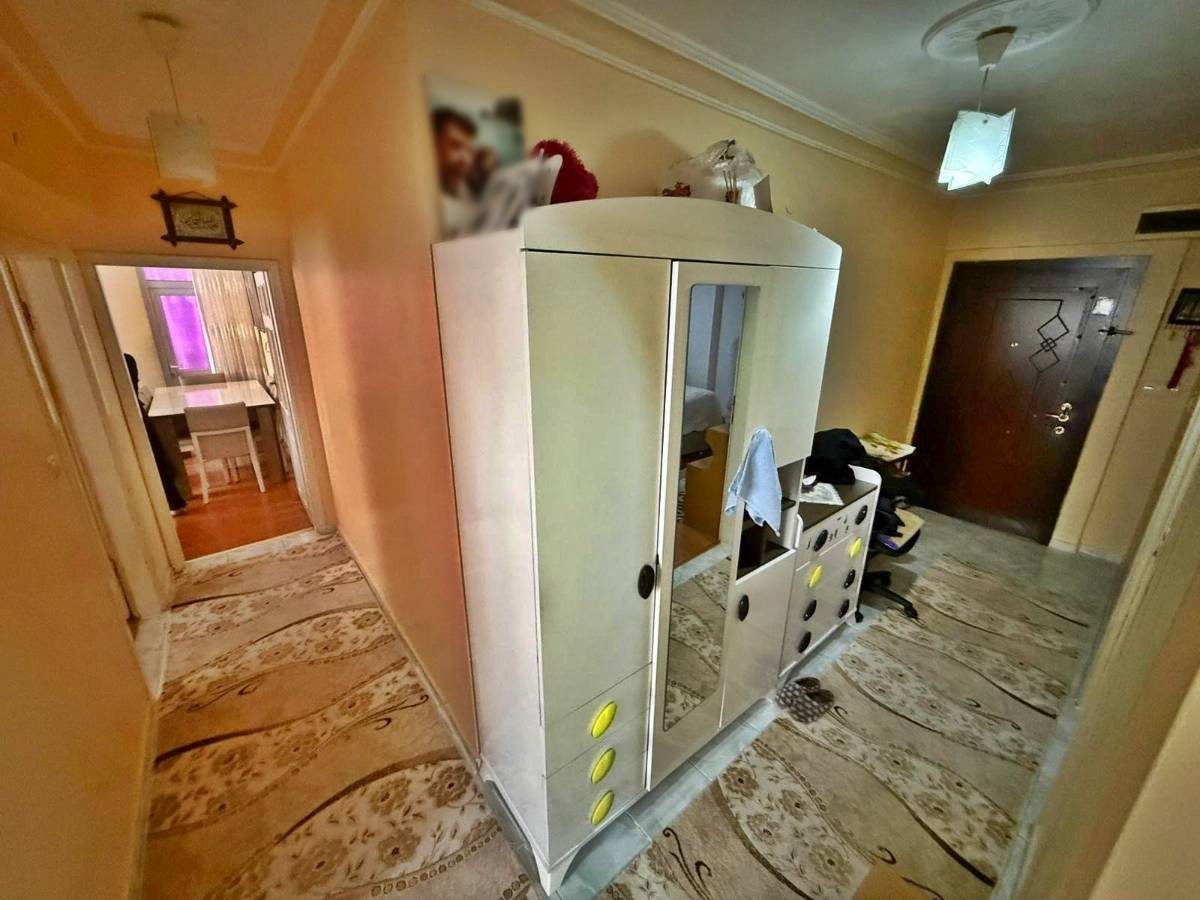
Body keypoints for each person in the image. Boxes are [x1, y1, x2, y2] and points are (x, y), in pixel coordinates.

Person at [125, 353, 186, 512]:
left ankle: (173, 500)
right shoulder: (128, 360)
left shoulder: (125, 361)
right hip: (139, 415)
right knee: (159, 457)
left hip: (136, 416)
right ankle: (174, 500)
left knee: (158, 457)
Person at [431, 107, 480, 236]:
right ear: (433, 143)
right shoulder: (426, 197)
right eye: (455, 145)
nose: (465, 158)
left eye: (470, 150)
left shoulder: (466, 187)